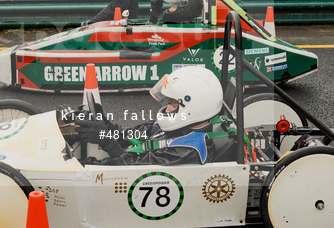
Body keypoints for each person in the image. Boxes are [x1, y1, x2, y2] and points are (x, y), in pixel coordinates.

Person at [72, 66, 230, 165]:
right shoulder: (177, 127)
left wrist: (107, 141)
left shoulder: (188, 150)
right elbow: (133, 135)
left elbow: (130, 173)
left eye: (173, 103)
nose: (167, 108)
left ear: (194, 107)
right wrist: (105, 125)